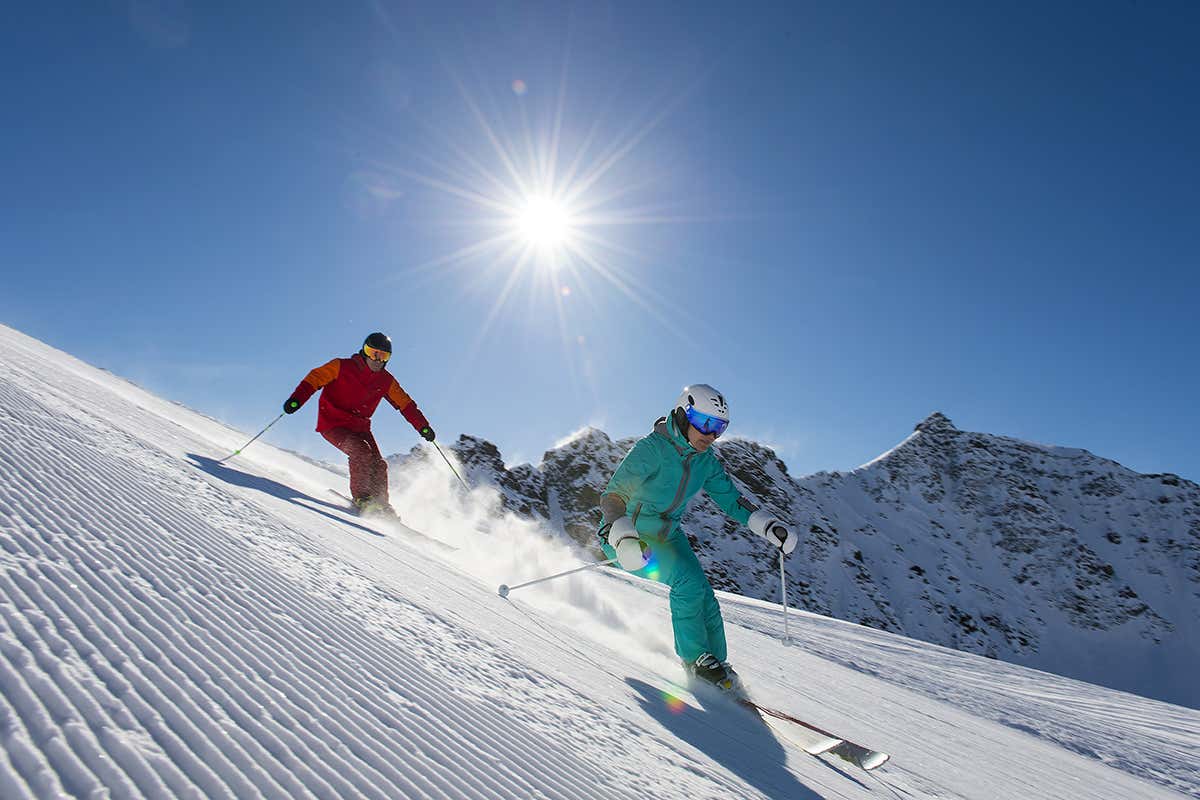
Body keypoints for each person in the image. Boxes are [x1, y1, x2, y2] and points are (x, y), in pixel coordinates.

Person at [597, 384, 796, 695]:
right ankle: (696, 662)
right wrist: (622, 537)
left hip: (668, 535)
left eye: (718, 428)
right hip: (628, 537)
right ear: (682, 413)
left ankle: (716, 662)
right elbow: (613, 496)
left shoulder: (705, 461)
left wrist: (766, 524)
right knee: (687, 585)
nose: (710, 434)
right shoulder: (652, 449)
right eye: (705, 423)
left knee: (703, 592)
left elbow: (731, 499)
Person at [283, 332, 435, 516]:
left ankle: (382, 505)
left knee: (379, 464)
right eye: (372, 352)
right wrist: (296, 400)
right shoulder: (341, 366)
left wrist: (423, 426)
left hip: (360, 427)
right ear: (364, 351)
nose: (377, 360)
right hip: (333, 424)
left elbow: (405, 404)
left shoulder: (386, 381)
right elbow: (315, 378)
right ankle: (362, 498)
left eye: (383, 356)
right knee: (361, 451)